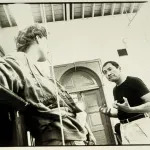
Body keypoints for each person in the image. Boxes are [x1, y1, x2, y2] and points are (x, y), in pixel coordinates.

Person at [0, 24, 96, 146]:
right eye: (47, 41)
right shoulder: (18, 60)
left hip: (75, 137)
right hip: (60, 140)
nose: (49, 48)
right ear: (38, 38)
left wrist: (87, 131)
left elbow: (69, 106)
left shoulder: (42, 74)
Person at [99, 61, 150, 144]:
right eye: (105, 72)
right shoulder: (115, 90)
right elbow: (124, 112)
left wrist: (130, 109)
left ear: (119, 68)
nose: (108, 74)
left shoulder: (134, 81)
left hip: (139, 125)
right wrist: (109, 114)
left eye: (110, 69)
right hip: (124, 128)